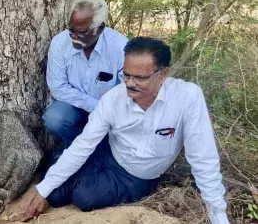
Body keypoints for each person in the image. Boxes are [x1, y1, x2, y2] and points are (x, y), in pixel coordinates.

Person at [22, 37, 229, 224]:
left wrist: (218, 214)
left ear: (162, 74)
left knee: (84, 197)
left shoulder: (187, 98)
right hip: (106, 154)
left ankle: (73, 172)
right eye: (126, 75)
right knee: (54, 194)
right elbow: (83, 145)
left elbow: (203, 157)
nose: (130, 83)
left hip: (136, 175)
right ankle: (64, 167)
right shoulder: (113, 99)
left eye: (139, 78)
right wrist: (42, 191)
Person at [44, 0, 128, 148]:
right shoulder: (60, 43)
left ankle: (105, 152)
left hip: (110, 110)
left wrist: (107, 112)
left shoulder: (120, 47)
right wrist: (94, 106)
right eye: (71, 30)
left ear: (100, 28)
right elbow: (58, 87)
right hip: (73, 105)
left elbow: (127, 89)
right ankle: (77, 149)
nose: (74, 37)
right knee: (54, 119)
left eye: (81, 32)